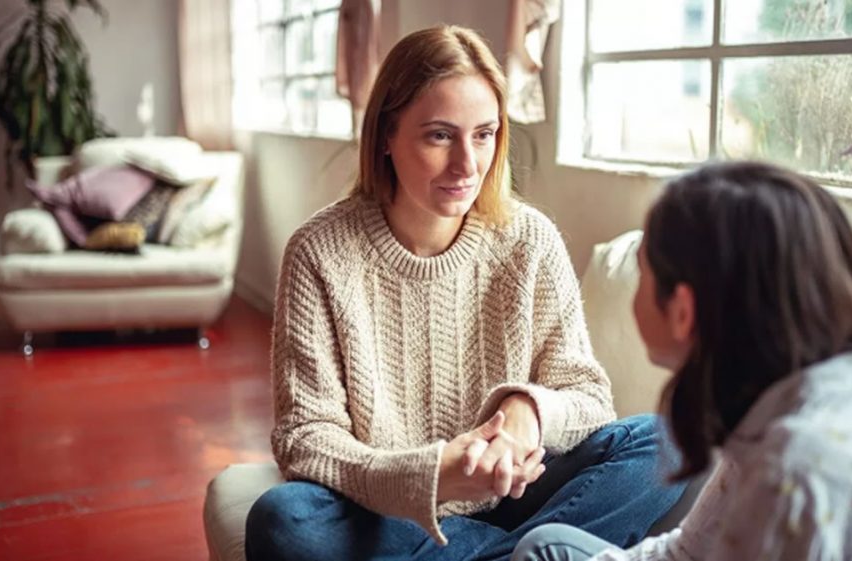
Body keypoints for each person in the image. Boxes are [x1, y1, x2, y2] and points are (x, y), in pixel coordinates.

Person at [244, 25, 685, 561]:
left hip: (519, 492)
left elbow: (588, 395)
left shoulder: (529, 239)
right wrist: (435, 478)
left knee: (668, 439)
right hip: (392, 510)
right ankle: (525, 554)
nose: (468, 164)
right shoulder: (320, 252)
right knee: (283, 520)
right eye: (439, 135)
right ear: (386, 135)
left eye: (484, 134)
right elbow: (306, 438)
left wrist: (528, 412)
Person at [512, 161, 852, 561]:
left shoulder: (793, 472)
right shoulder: (791, 400)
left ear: (683, 310)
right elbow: (690, 550)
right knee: (547, 545)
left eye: (645, 267)